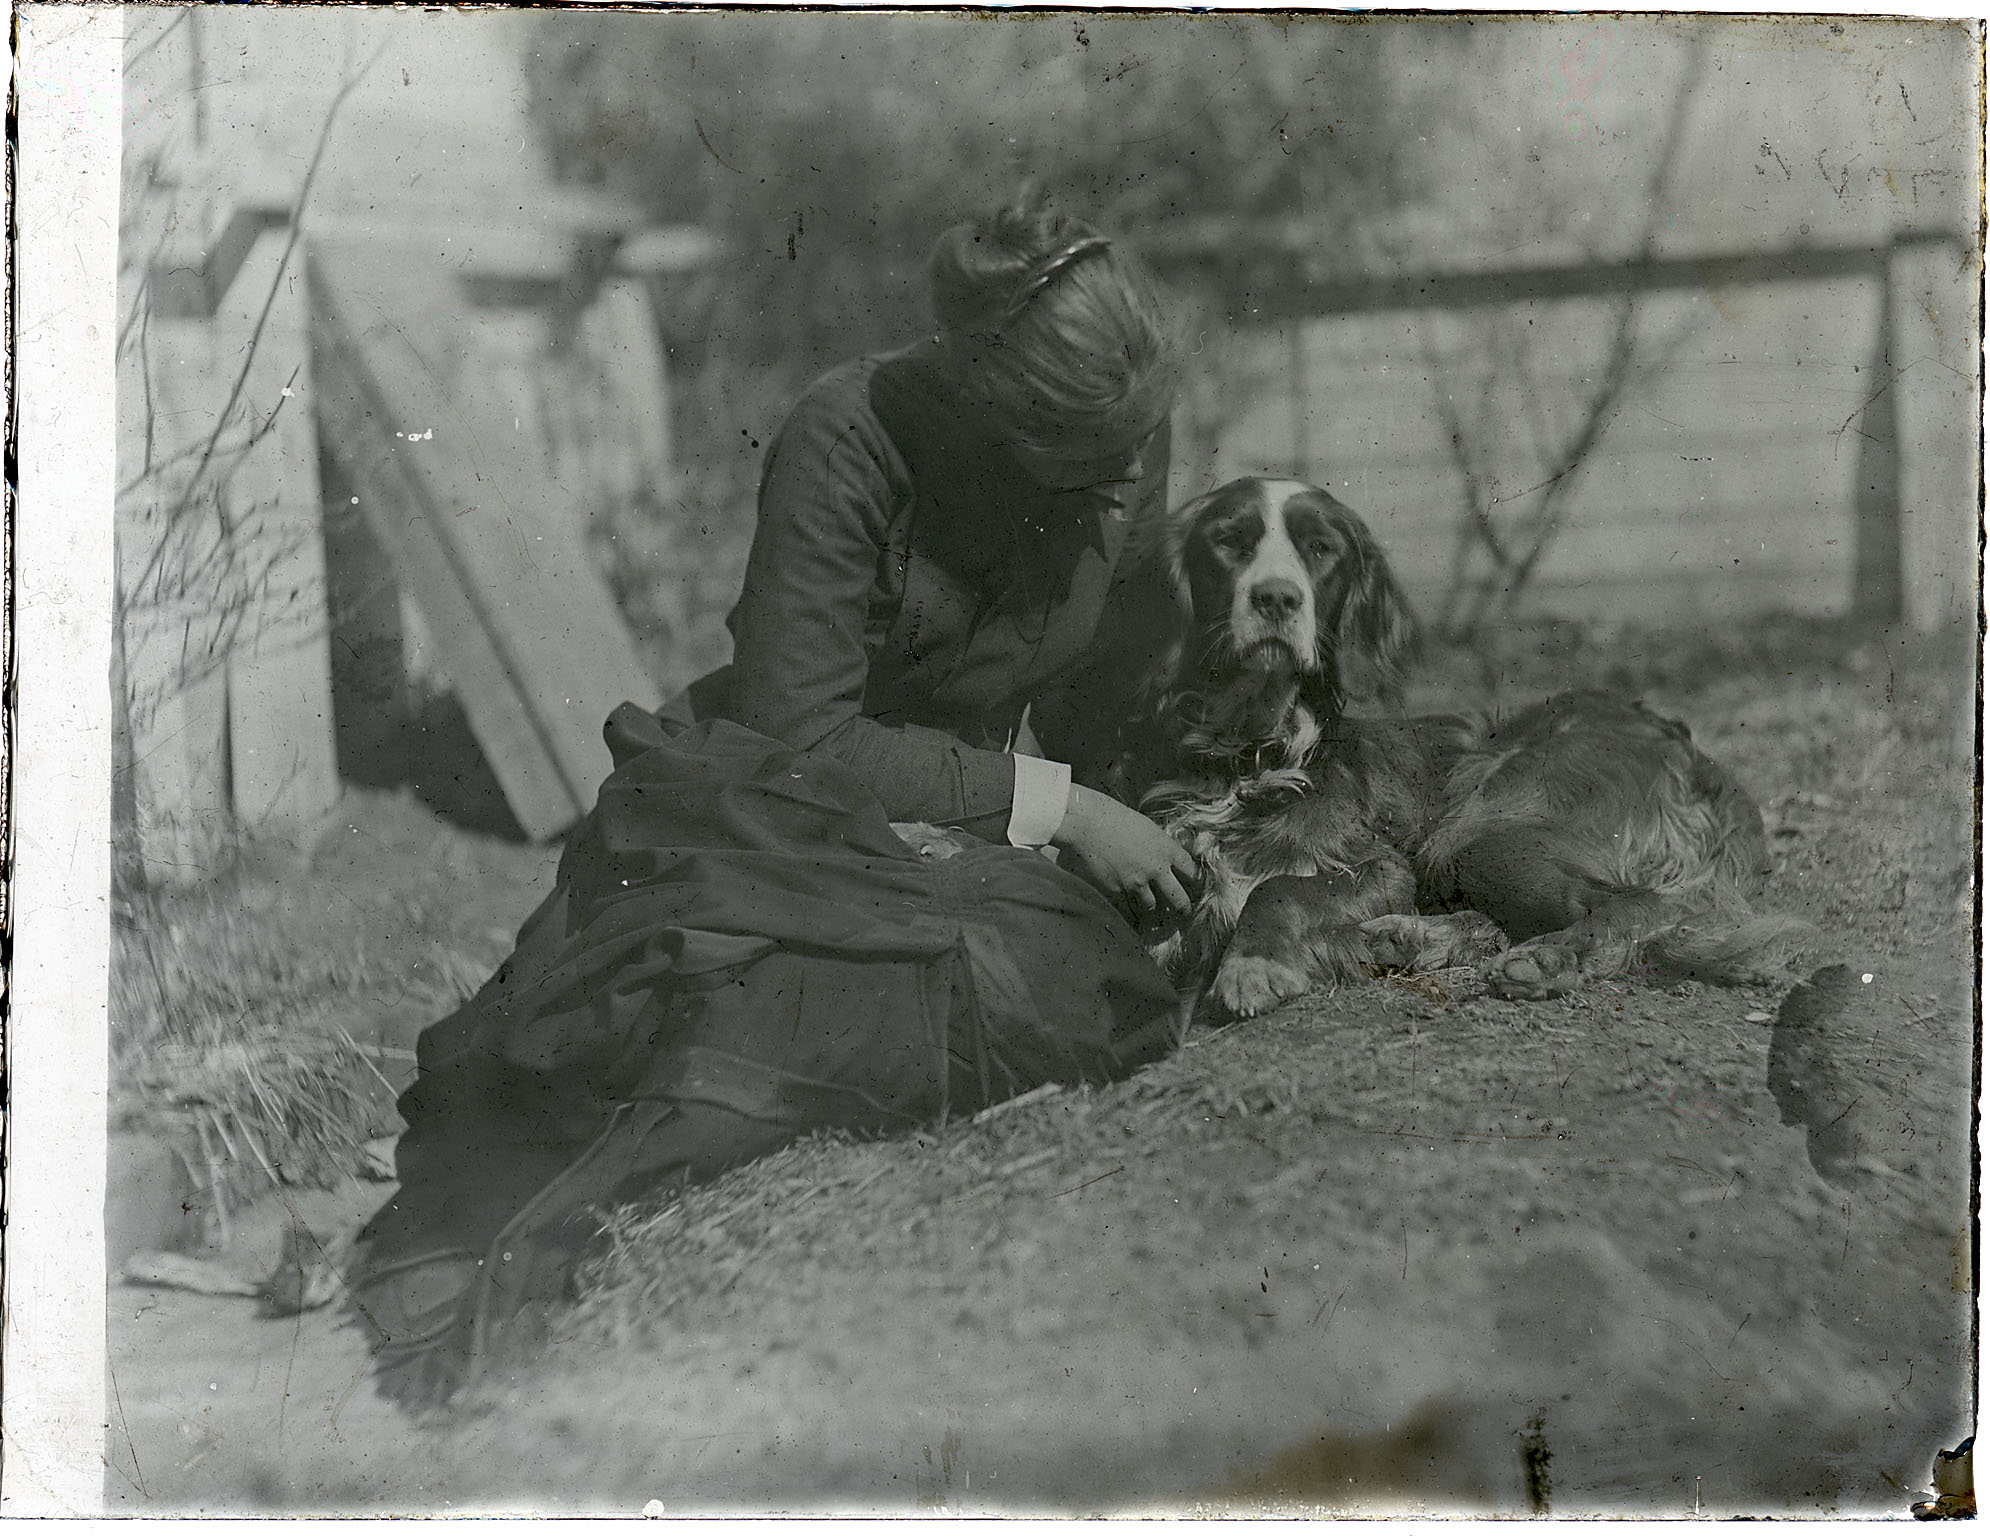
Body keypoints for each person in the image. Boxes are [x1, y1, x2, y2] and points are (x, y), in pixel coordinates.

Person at [350, 189, 1198, 1404]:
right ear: (991, 408)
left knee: (1076, 986)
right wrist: (1060, 809)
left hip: (978, 810)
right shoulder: (847, 438)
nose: (1118, 485)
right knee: (734, 1024)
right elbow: (803, 729)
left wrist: (1128, 817)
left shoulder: (1121, 433)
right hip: (774, 802)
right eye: (1087, 462)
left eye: (1131, 456)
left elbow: (1108, 661)